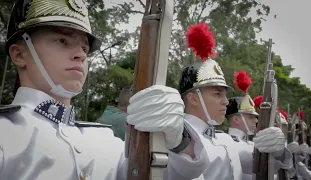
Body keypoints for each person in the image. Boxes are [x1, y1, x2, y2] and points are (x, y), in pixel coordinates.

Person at [0, 0, 209, 179]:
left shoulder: (104, 141)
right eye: (62, 40)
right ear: (19, 55)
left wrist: (179, 140)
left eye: (84, 48)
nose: (81, 55)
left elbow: (166, 175)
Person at [179, 21, 291, 179]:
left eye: (224, 94)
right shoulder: (176, 139)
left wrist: (277, 150)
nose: (225, 101)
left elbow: (258, 163)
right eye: (217, 94)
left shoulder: (223, 139)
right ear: (193, 99)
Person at [225, 72, 293, 180]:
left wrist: (280, 151)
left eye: (255, 117)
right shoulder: (227, 142)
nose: (255, 120)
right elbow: (252, 161)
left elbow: (283, 167)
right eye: (250, 116)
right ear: (236, 119)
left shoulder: (251, 143)